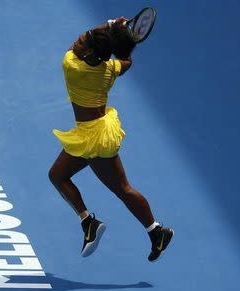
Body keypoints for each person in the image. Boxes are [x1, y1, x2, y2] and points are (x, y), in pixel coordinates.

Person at [48, 17, 173, 262]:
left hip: (94, 139)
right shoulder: (110, 70)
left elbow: (96, 48)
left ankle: (154, 231)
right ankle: (93, 223)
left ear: (90, 53)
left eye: (82, 41)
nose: (77, 40)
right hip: (97, 130)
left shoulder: (72, 65)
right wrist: (123, 40)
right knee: (57, 176)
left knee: (122, 189)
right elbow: (126, 60)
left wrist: (110, 25)